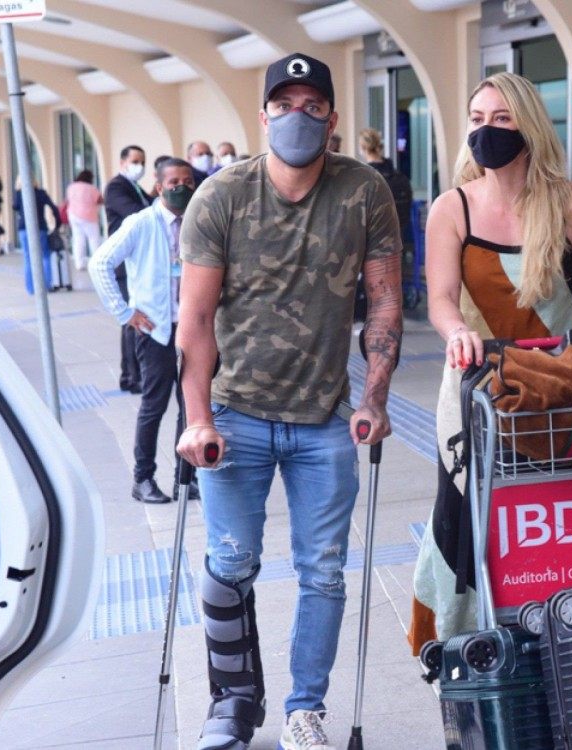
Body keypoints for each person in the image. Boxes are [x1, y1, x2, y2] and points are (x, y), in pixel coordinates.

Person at [174, 52, 403, 750]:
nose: (296, 117)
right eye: (283, 105)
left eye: (312, 106)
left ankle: (306, 710)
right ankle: (234, 702)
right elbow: (196, 320)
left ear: (332, 119)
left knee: (323, 571)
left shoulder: (364, 192)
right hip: (235, 414)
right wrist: (197, 419)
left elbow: (386, 302)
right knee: (231, 562)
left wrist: (376, 396)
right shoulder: (221, 195)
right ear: (263, 114)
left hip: (324, 418)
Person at [408, 72, 572, 655]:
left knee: (554, 506)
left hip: (554, 385)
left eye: (501, 118)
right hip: (476, 385)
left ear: (529, 124)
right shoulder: (452, 209)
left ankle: (566, 626)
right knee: (471, 511)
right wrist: (455, 336)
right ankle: (467, 641)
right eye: (477, 119)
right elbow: (443, 299)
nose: (486, 130)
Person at [91, 158, 197, 505]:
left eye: (187, 180)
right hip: (155, 332)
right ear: (158, 187)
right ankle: (143, 479)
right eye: (174, 182)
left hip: (192, 329)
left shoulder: (196, 220)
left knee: (192, 406)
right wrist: (124, 312)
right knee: (154, 405)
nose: (181, 187)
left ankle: (187, 478)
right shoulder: (141, 223)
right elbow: (101, 262)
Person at [105, 145, 152, 395]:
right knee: (131, 319)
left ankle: (132, 374)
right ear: (123, 162)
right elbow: (137, 213)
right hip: (124, 263)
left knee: (135, 318)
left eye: (142, 161)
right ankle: (132, 377)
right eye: (135, 161)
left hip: (137, 262)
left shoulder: (134, 187)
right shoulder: (116, 187)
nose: (139, 166)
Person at [359, 128, 415, 311]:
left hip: (372, 243)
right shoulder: (399, 177)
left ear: (362, 148)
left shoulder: (364, 178)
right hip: (400, 237)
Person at [12, 177, 62, 296]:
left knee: (28, 258)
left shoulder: (19, 194)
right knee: (45, 256)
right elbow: (54, 208)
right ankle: (46, 285)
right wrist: (57, 224)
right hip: (40, 227)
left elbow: (15, 206)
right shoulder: (41, 193)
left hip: (24, 228)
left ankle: (31, 288)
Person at [65, 169, 104, 271]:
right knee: (94, 239)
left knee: (78, 239)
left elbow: (68, 200)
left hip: (73, 215)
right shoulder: (92, 188)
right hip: (88, 216)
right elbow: (100, 200)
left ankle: (79, 263)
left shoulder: (71, 187)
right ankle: (97, 262)